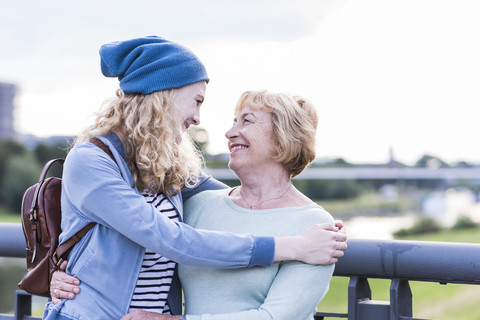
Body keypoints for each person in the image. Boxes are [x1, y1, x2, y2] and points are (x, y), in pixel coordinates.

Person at [44, 36, 347, 320]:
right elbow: (167, 237)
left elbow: (246, 200)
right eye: (197, 100)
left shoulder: (167, 165)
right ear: (164, 96)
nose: (198, 118)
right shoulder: (90, 161)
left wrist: (312, 223)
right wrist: (292, 246)